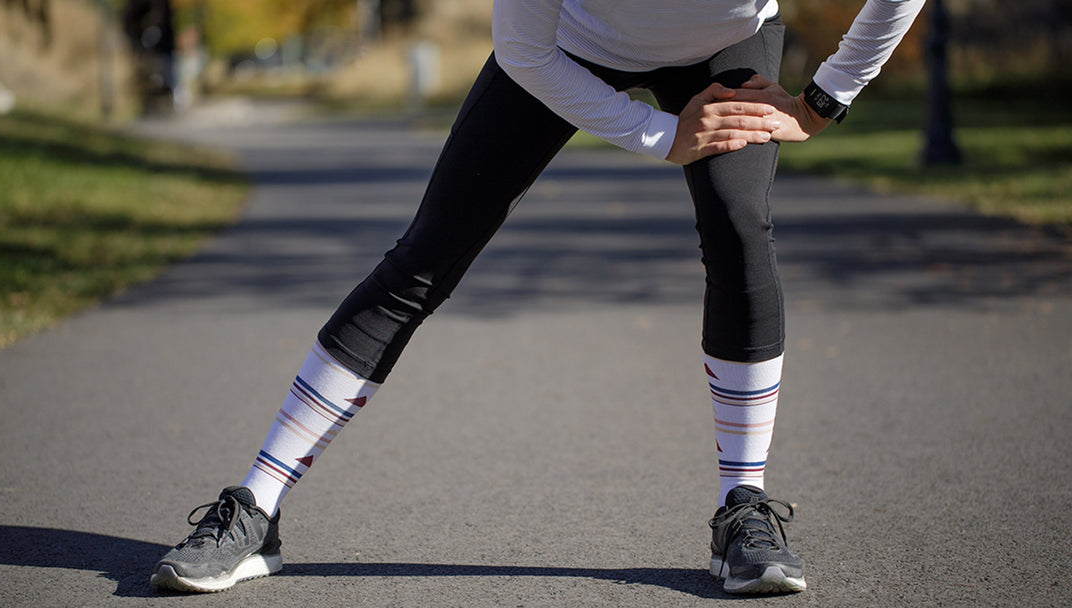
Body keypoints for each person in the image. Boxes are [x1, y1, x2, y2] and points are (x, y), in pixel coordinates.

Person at [150, 0, 925, 595]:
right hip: (564, 47)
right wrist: (659, 133)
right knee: (427, 254)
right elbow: (524, 49)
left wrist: (823, 101)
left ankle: (743, 510)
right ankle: (257, 509)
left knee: (738, 226)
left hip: (726, 45)